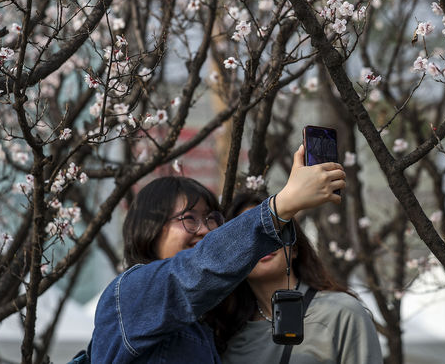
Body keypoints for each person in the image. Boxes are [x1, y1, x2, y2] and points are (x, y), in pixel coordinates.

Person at [89, 146, 345, 363]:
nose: (205, 230)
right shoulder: (131, 294)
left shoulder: (205, 324)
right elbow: (195, 270)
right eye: (188, 219)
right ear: (150, 229)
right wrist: (282, 207)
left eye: (212, 219)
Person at [209, 192, 383, 364]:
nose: (262, 242)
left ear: (295, 247)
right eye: (246, 236)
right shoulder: (223, 332)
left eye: (272, 230)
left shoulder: (341, 313)